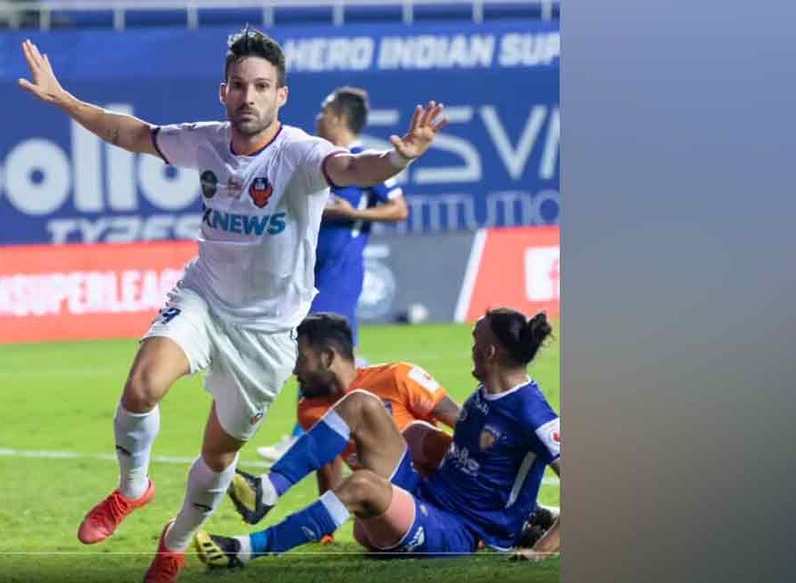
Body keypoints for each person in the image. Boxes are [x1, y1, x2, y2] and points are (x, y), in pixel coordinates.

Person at [16, 27, 449, 582]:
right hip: (203, 300)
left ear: (281, 96)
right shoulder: (206, 140)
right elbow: (134, 134)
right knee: (142, 386)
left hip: (267, 335)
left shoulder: (301, 152)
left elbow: (355, 168)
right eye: (239, 85)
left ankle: (174, 543)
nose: (249, 96)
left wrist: (397, 159)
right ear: (224, 92)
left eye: (262, 86)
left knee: (218, 458)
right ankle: (132, 489)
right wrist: (64, 99)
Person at [195, 308, 561, 568]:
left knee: (363, 486)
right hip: (430, 495)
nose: (470, 347)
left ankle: (245, 550)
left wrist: (543, 551)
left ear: (490, 351)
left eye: (474, 339)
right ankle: (267, 492)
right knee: (360, 403)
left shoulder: (532, 413)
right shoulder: (485, 393)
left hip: (462, 529)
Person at [257, 87, 411, 463]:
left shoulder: (364, 163)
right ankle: (377, 417)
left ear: (340, 118)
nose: (318, 117)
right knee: (334, 354)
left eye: (325, 110)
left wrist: (352, 215)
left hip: (340, 272)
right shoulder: (322, 162)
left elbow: (399, 210)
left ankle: (303, 435)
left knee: (312, 347)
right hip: (309, 272)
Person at [233, 312, 460, 528]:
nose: (295, 370)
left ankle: (268, 493)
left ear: (328, 357)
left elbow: (462, 424)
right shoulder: (311, 409)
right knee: (363, 529)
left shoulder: (398, 377)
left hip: (441, 497)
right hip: (389, 506)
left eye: (301, 359)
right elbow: (327, 465)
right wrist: (327, 529)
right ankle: (262, 512)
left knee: (406, 431)